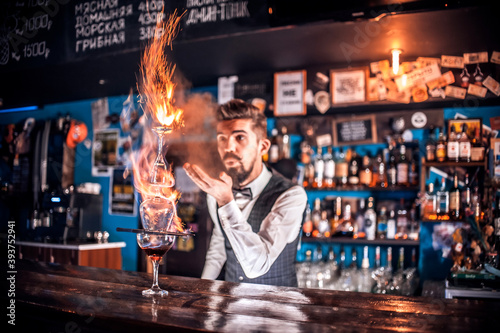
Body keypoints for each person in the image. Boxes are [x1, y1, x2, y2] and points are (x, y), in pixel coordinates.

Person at [183, 99, 308, 287]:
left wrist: (226, 202)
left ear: (263, 147)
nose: (228, 148)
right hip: (231, 308)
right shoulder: (215, 195)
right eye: (222, 139)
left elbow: (258, 265)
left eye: (239, 137)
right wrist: (203, 290)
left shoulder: (291, 195)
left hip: (277, 311)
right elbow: (219, 244)